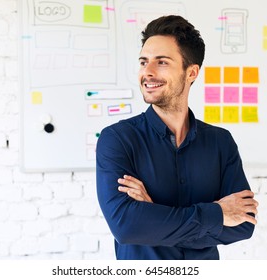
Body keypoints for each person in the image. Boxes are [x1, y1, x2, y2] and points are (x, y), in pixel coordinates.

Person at [96, 15, 258, 260]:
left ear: (191, 72)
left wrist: (154, 215)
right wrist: (217, 214)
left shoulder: (220, 142)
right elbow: (127, 227)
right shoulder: (118, 139)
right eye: (143, 62)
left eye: (161, 62)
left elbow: (244, 225)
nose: (147, 72)